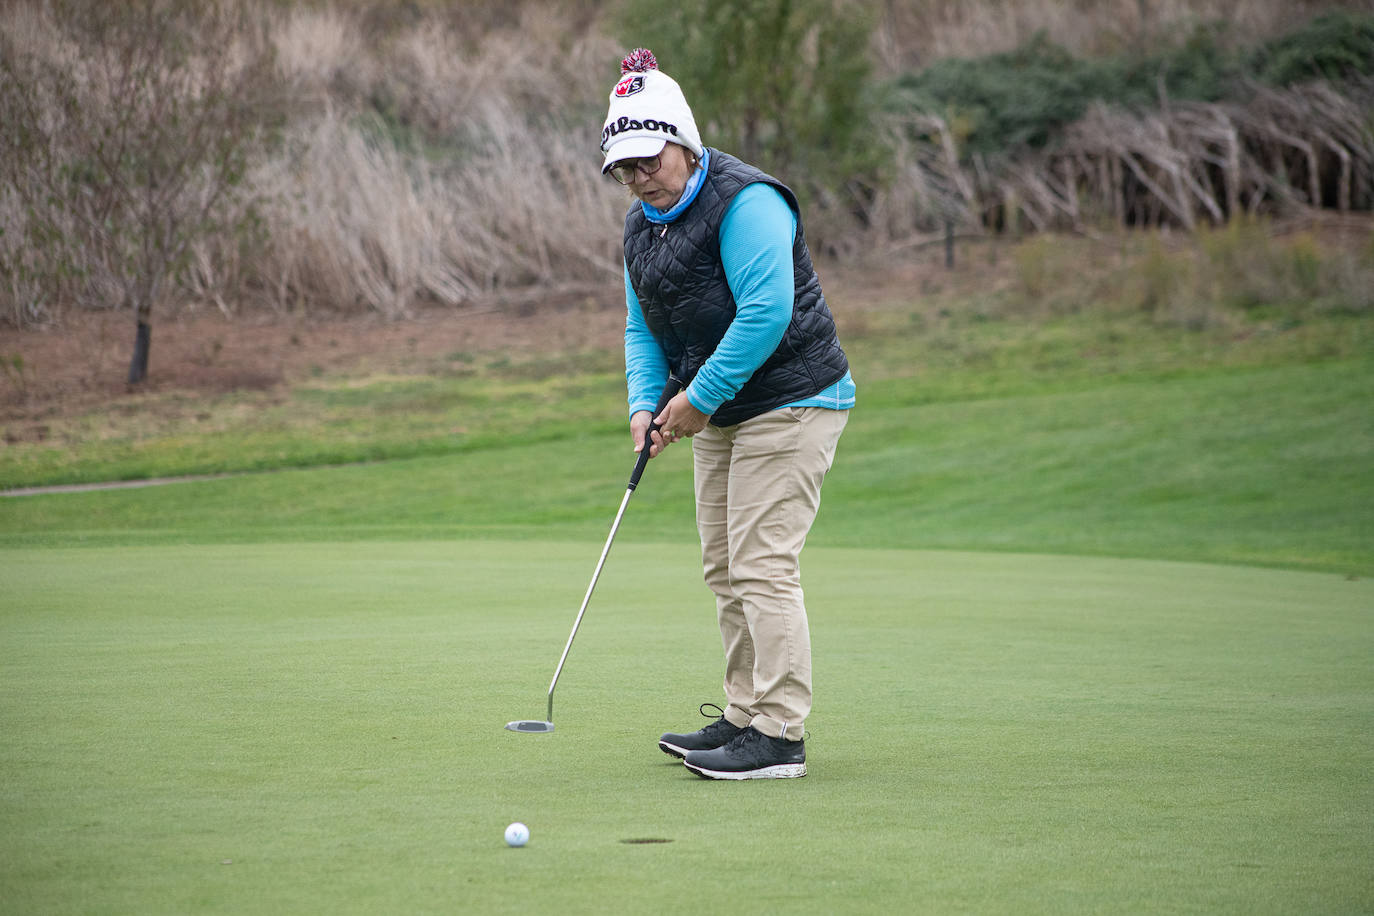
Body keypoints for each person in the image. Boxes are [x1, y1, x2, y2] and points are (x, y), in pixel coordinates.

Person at [601, 48, 854, 780]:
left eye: (649, 159)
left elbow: (769, 310)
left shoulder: (749, 202)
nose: (639, 176)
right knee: (724, 565)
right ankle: (743, 715)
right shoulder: (639, 229)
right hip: (717, 408)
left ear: (682, 140)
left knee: (761, 562)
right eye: (625, 166)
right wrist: (646, 406)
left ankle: (780, 734)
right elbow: (641, 327)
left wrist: (696, 401)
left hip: (793, 397)